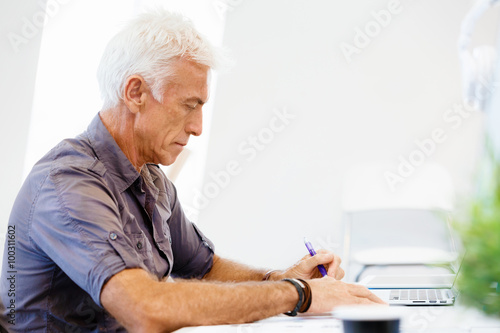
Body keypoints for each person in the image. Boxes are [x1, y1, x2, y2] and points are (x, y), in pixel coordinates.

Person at [0, 9, 384, 333]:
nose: (198, 126)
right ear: (135, 93)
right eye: (189, 105)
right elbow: (144, 308)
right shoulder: (67, 183)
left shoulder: (151, 180)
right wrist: (299, 296)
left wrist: (283, 278)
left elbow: (204, 269)